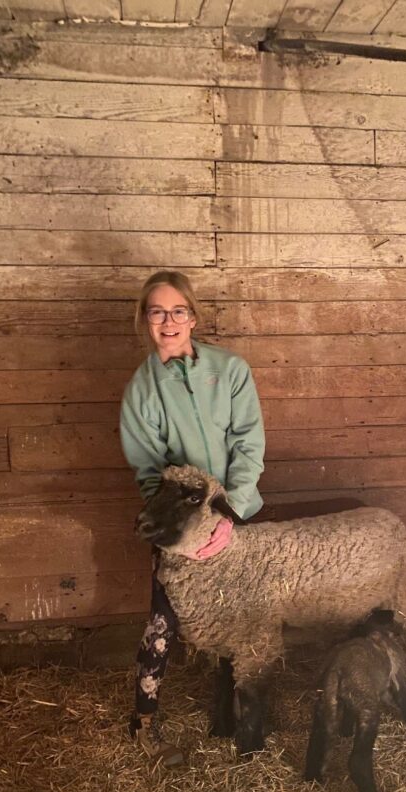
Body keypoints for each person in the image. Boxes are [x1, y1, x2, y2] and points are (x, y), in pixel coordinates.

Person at [120, 270, 265, 766]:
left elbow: (248, 442)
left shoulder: (230, 370)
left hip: (234, 514)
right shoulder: (142, 390)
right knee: (164, 618)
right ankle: (144, 722)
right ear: (144, 319)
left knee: (241, 611)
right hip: (179, 524)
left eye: (178, 311)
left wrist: (231, 512)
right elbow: (148, 470)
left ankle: (232, 712)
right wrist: (183, 529)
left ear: (193, 317)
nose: (168, 321)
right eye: (157, 312)